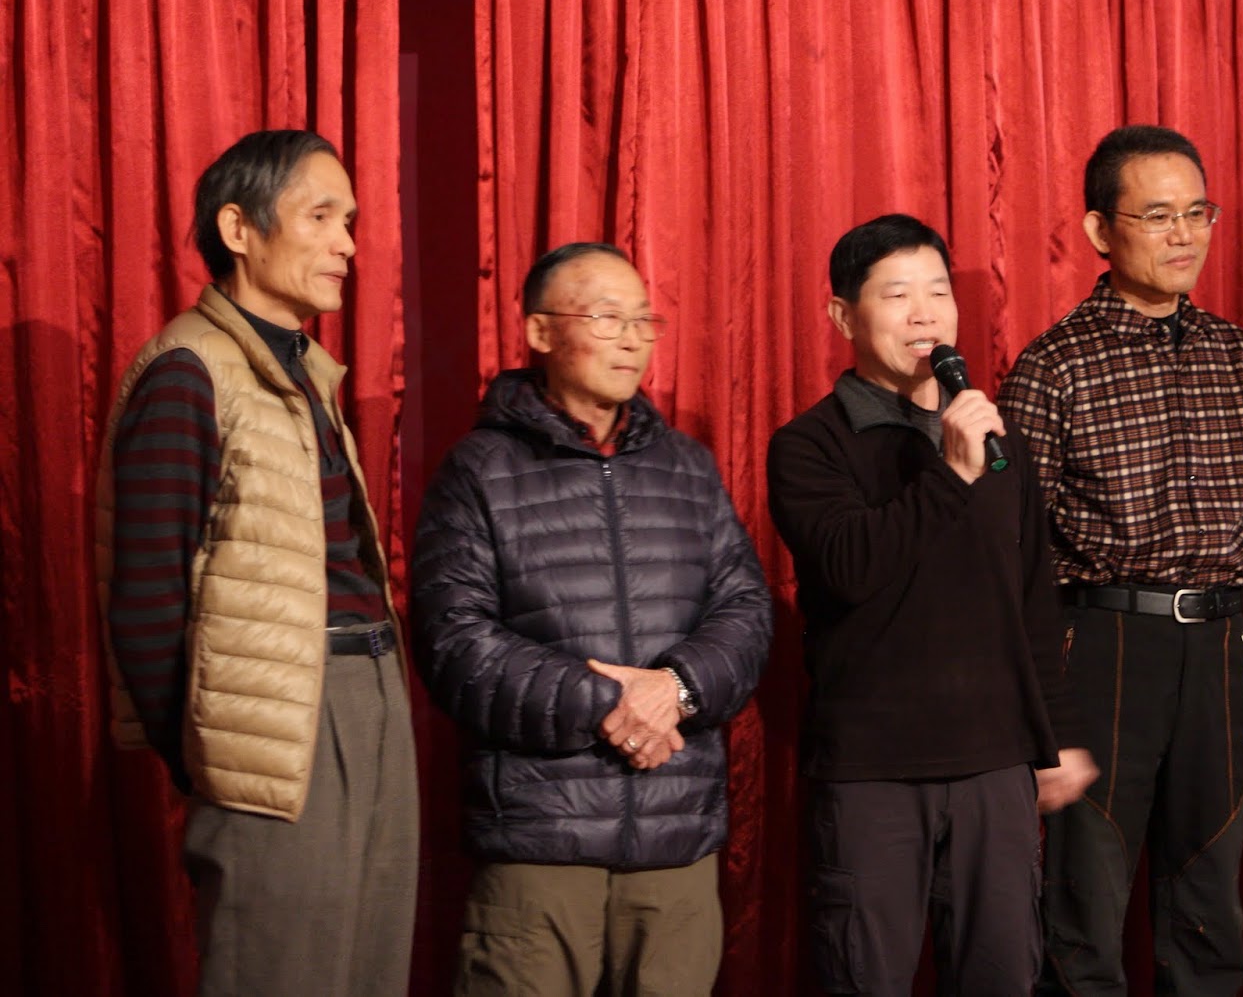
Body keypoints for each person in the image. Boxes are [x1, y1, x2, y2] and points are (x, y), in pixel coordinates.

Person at [95, 129, 418, 995]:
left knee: (371, 970)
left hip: (370, 689)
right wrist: (213, 751)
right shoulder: (188, 371)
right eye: (321, 216)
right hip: (275, 722)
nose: (347, 244)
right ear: (238, 229)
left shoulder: (305, 371)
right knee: (281, 973)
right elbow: (146, 600)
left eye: (350, 222)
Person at [410, 242, 771, 996]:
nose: (633, 339)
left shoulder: (688, 467)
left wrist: (675, 689)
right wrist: (612, 703)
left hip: (675, 839)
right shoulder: (478, 469)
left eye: (644, 320)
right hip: (540, 842)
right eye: (607, 318)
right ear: (539, 331)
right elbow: (455, 642)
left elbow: (745, 610)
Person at [767, 213, 1098, 995]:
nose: (924, 313)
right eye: (897, 294)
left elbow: (1031, 600)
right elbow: (851, 565)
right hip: (874, 770)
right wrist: (950, 476)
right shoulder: (809, 444)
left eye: (938, 292)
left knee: (1003, 975)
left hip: (996, 766)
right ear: (843, 316)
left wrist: (1055, 739)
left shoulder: (997, 441)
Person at [998, 125, 1243, 996]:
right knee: (1086, 907)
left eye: (1198, 212)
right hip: (1104, 645)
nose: (1183, 234)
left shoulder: (1240, 357)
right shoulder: (1054, 365)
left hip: (1218, 644)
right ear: (1098, 230)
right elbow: (1013, 550)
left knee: (1210, 902)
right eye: (1157, 215)